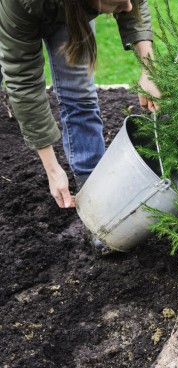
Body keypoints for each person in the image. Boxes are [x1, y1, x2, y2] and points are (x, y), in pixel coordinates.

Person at [0, 0, 161, 251]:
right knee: (7, 69)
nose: (128, 6)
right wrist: (52, 170)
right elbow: (23, 82)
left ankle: (97, 198)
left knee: (80, 97)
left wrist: (149, 69)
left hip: (72, 11)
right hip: (15, 15)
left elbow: (135, 7)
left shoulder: (101, 4)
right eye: (120, 2)